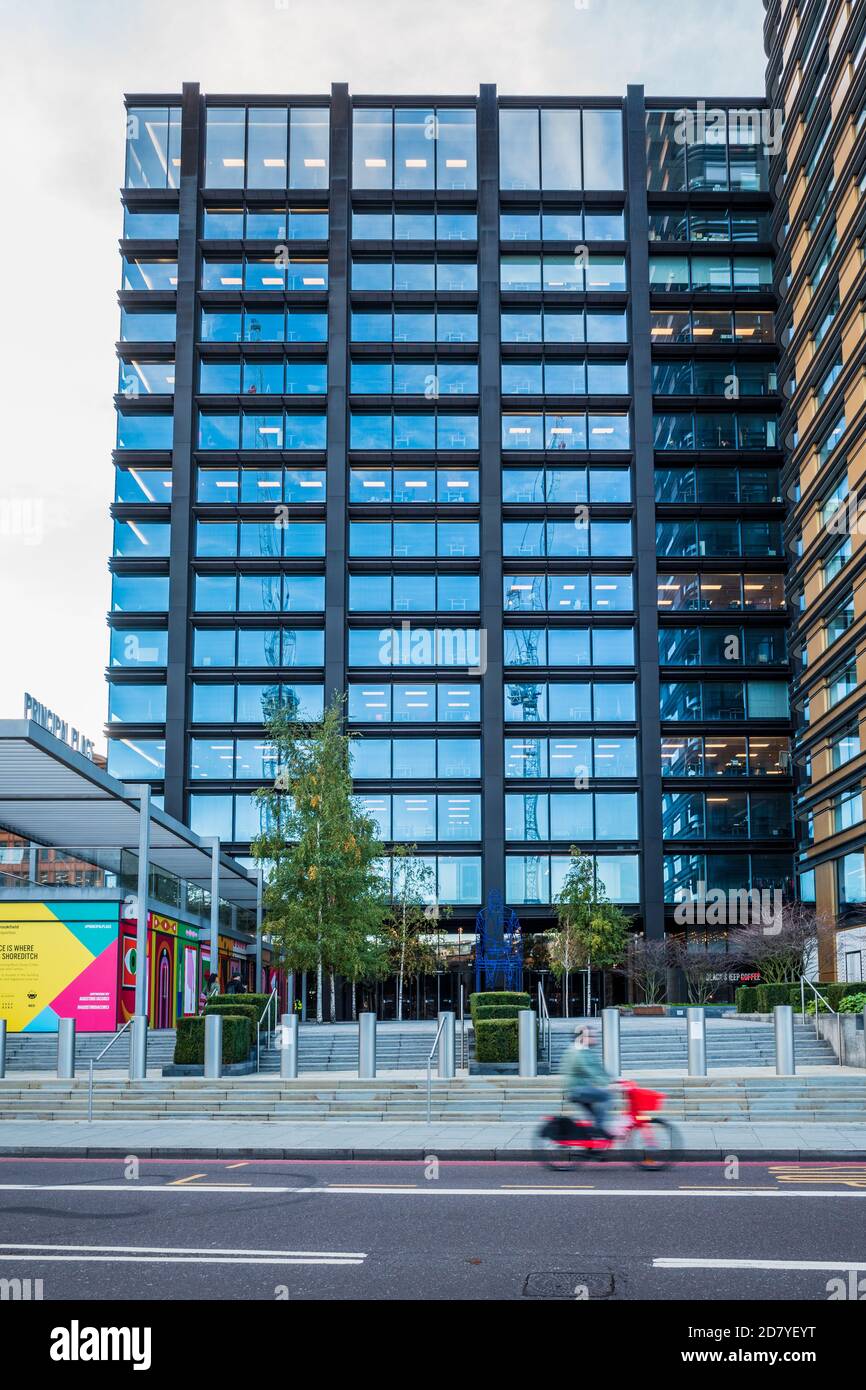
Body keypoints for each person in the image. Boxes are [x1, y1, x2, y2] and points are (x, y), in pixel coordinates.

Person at [559, 1024, 615, 1138]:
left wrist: (613, 1081)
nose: (595, 1038)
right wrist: (608, 1084)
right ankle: (598, 1131)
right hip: (577, 1089)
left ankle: (592, 1146)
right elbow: (590, 1070)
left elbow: (597, 1068)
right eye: (591, 1036)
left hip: (579, 1088)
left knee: (595, 1116)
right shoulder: (578, 1052)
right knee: (606, 1097)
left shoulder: (583, 1050)